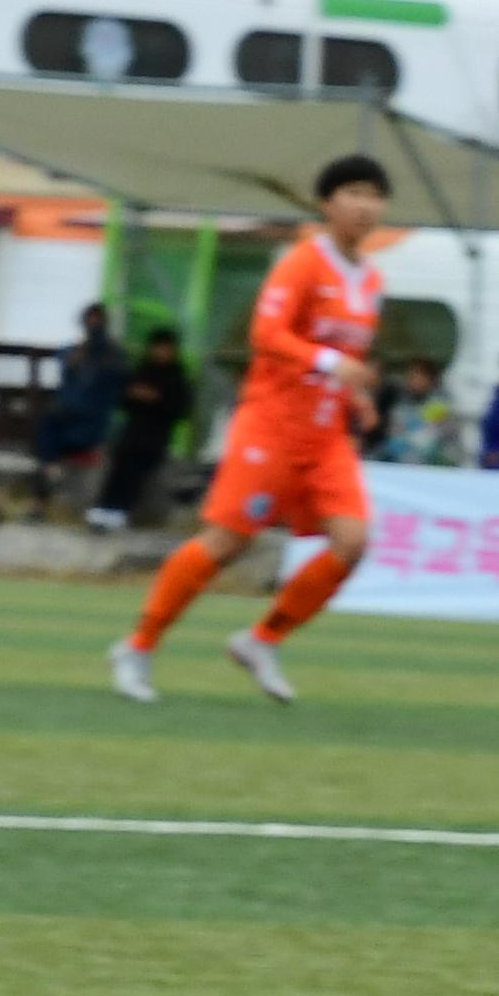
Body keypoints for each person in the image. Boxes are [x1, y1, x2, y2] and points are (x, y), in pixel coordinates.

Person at [110, 155, 386, 705]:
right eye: (353, 192)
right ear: (327, 203)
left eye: (375, 194)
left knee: (353, 542)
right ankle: (138, 646)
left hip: (325, 434)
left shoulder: (373, 280)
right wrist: (332, 365)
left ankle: (261, 640)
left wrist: (355, 392)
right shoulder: (304, 263)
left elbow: (349, 353)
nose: (365, 204)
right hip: (273, 425)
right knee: (226, 544)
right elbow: (266, 334)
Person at [89, 326, 194, 530]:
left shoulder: (177, 377)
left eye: (166, 349)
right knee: (120, 464)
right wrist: (135, 395)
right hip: (133, 432)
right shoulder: (142, 371)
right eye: (158, 348)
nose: (161, 353)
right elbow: (122, 400)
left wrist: (156, 399)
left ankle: (120, 511)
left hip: (156, 436)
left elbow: (180, 410)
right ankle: (104, 509)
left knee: (136, 467)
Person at [35, 302, 126, 502]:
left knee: (52, 439)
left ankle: (48, 484)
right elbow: (67, 373)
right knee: (47, 432)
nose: (92, 325)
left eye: (96, 320)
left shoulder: (112, 355)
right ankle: (47, 484)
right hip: (68, 418)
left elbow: (109, 389)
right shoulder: (75, 351)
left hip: (91, 425)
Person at [374, 355, 461, 467]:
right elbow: (394, 434)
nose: (413, 381)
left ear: (430, 379)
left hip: (432, 464)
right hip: (400, 462)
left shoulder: (440, 405)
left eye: (418, 377)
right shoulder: (401, 403)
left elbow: (434, 438)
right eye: (411, 377)